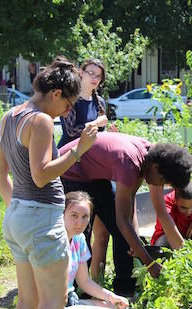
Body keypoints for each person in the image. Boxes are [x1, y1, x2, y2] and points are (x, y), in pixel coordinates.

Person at [0, 59, 99, 309]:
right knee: (53, 302)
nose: (68, 111)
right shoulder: (39, 121)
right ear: (55, 93)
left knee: (28, 302)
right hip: (41, 219)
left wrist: (19, 208)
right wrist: (79, 149)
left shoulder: (9, 116)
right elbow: (41, 175)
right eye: (68, 103)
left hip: (17, 218)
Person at [59, 133, 192, 296]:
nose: (160, 185)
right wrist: (150, 264)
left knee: (123, 234)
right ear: (156, 168)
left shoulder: (147, 158)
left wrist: (134, 244)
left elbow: (128, 206)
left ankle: (125, 290)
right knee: (79, 231)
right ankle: (69, 290)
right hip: (71, 169)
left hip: (95, 175)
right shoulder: (130, 164)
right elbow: (123, 221)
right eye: (162, 181)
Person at [56, 58, 115, 281]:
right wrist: (94, 125)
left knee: (96, 220)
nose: (93, 78)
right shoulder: (71, 98)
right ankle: (69, 278)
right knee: (76, 222)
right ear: (81, 73)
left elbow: (102, 132)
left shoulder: (99, 101)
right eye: (90, 72)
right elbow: (71, 130)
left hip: (93, 164)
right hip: (71, 163)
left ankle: (89, 278)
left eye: (98, 75)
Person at [55, 191, 130, 309]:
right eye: (74, 216)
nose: (80, 223)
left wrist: (111, 297)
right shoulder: (55, 242)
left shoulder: (79, 239)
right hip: (55, 306)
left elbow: (84, 282)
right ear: (62, 214)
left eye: (85, 217)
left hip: (72, 300)